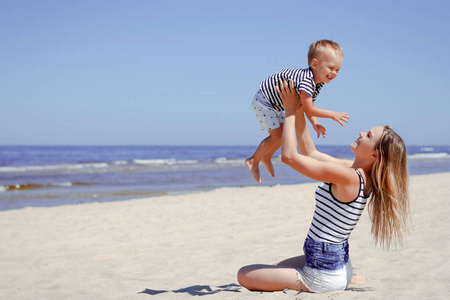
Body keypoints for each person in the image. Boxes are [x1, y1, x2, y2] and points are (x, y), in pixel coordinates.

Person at [237, 79, 410, 294]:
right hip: (336, 263)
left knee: (244, 274)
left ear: (375, 155)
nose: (360, 133)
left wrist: (290, 111)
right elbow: (311, 153)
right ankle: (345, 278)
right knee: (277, 267)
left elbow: (290, 157)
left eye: (368, 136)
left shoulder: (348, 176)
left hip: (322, 274)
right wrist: (300, 106)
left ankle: (327, 282)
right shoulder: (362, 175)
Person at [245, 39, 350, 184]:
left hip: (276, 104)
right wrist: (332, 115)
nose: (334, 73)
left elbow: (308, 105)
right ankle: (253, 160)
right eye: (331, 68)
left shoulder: (317, 83)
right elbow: (308, 108)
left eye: (337, 70)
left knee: (283, 136)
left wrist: (315, 122)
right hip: (264, 102)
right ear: (314, 64)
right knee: (276, 136)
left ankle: (266, 157)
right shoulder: (307, 81)